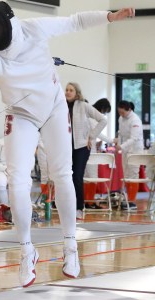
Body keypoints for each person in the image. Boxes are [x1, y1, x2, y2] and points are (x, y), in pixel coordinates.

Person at [0, 1, 135, 286]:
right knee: (16, 180)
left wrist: (109, 16)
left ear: (10, 22)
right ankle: (26, 251)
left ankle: (70, 246)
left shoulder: (33, 28)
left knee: (63, 175)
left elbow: (75, 21)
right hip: (21, 116)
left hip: (55, 109)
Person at [65, 83, 107, 219]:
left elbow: (103, 120)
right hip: (66, 147)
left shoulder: (83, 106)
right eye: (66, 90)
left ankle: (79, 208)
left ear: (77, 93)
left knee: (77, 176)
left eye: (71, 90)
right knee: (67, 178)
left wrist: (92, 136)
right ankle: (68, 207)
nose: (68, 92)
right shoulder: (61, 106)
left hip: (82, 147)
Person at [114, 100, 144, 211]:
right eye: (119, 112)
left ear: (129, 110)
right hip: (125, 150)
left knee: (133, 175)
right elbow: (120, 133)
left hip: (135, 150)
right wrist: (118, 145)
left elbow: (134, 138)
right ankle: (127, 199)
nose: (121, 115)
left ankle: (132, 201)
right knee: (126, 174)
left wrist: (121, 147)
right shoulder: (121, 119)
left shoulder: (135, 120)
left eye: (123, 113)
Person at [83, 98, 112, 206]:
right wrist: (111, 140)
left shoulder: (88, 116)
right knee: (92, 177)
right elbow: (97, 132)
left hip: (87, 149)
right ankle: (89, 202)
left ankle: (86, 201)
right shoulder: (91, 117)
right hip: (90, 151)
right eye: (104, 111)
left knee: (86, 177)